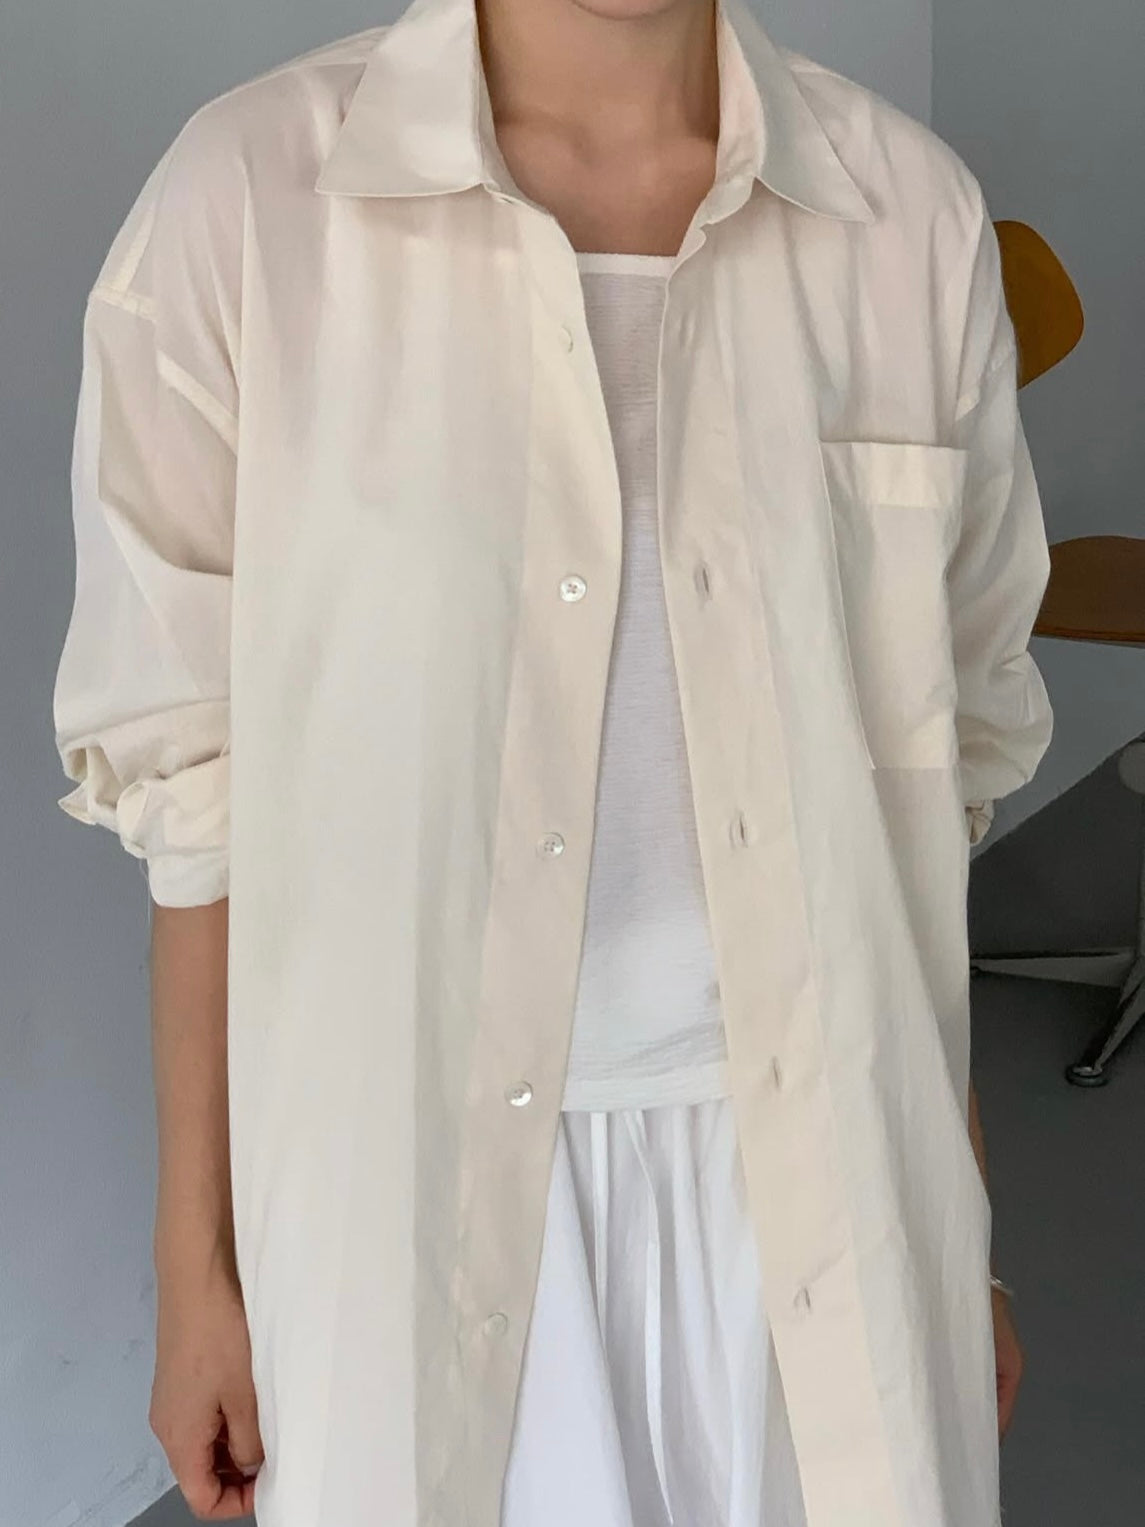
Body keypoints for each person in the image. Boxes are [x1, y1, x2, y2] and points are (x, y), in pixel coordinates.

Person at [51, 0, 1049, 1521]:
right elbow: (198, 807)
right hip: (410, 1190)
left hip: (827, 1168)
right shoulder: (250, 205)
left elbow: (928, 807)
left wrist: (951, 1226)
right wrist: (199, 1271)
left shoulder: (904, 217)